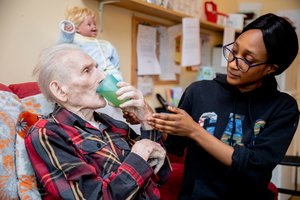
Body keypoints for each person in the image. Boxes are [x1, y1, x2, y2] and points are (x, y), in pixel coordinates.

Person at [146, 13, 299, 199]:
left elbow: (254, 166)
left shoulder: (283, 108)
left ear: (271, 68)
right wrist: (148, 117)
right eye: (234, 51)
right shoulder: (199, 91)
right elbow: (174, 145)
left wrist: (195, 130)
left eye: (247, 60)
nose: (233, 64)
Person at [25, 43, 171, 199]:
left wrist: (146, 120)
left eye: (97, 68)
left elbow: (161, 176)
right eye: (87, 71)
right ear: (60, 90)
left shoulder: (114, 124)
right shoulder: (47, 134)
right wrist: (139, 156)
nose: (102, 76)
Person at [58, 6, 122, 81]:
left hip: (112, 73)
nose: (94, 27)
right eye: (89, 24)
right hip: (92, 75)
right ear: (77, 28)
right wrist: (68, 32)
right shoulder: (75, 40)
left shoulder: (105, 44)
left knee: (120, 86)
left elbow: (115, 60)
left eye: (94, 24)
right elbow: (62, 47)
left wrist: (117, 71)